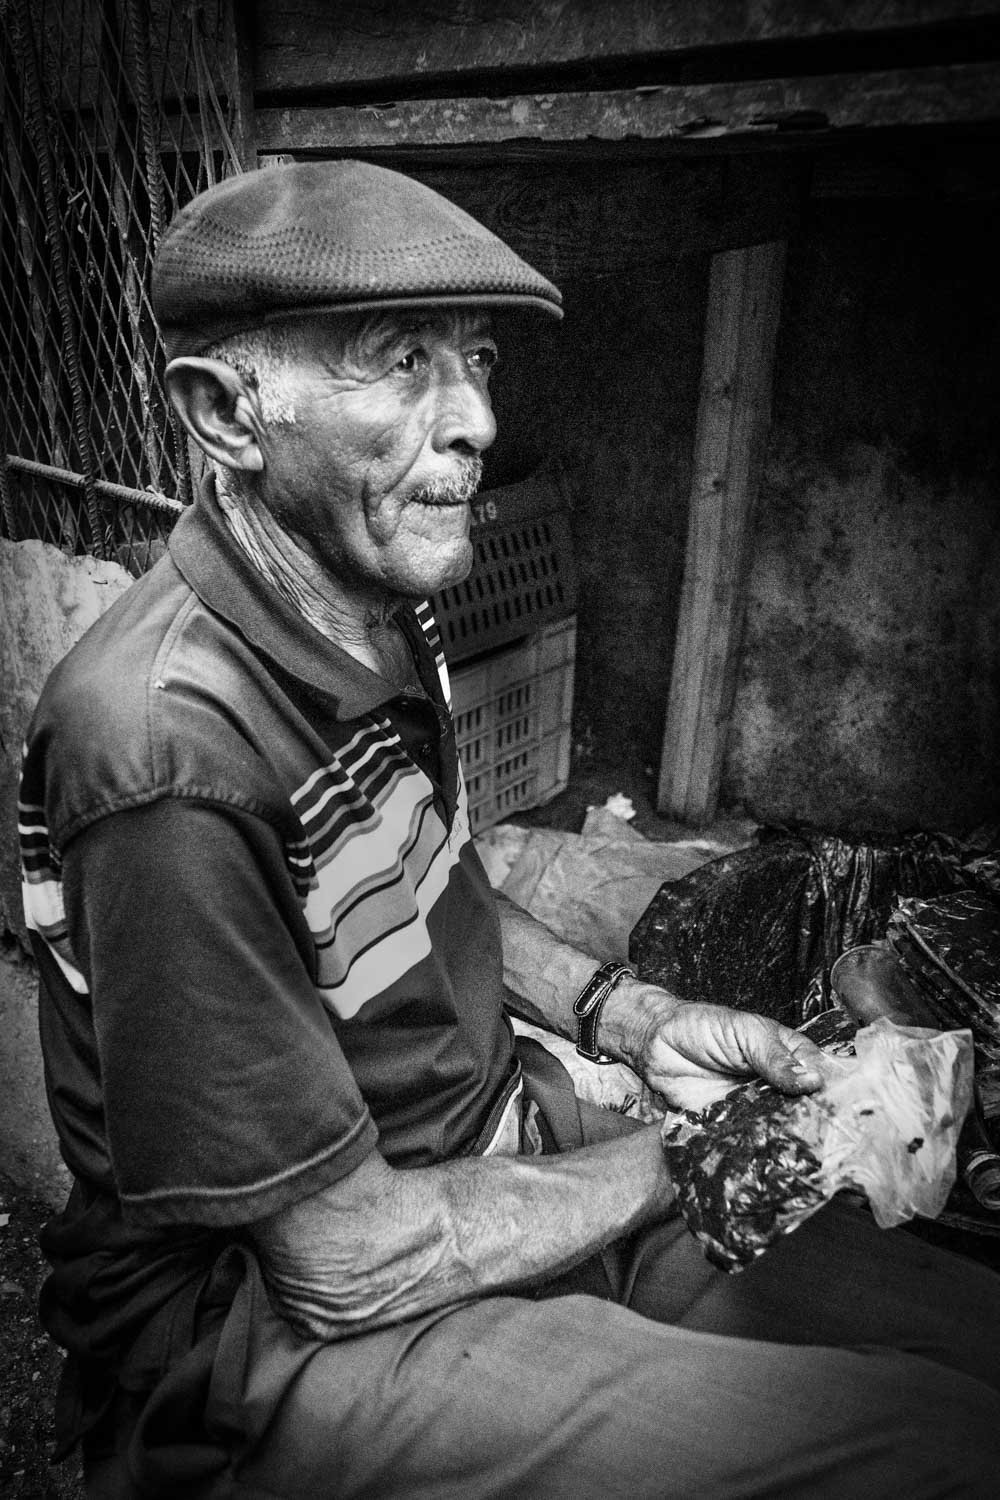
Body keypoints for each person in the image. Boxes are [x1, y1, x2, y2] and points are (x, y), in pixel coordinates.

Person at [18, 160, 1000, 1499]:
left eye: (475, 359)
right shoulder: (164, 752)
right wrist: (695, 1154)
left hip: (495, 1161)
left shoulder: (372, 603)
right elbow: (347, 1262)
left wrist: (633, 1019)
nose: (476, 417)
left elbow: (427, 883)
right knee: (933, 1452)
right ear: (226, 415)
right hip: (279, 1326)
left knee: (971, 1351)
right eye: (401, 361)